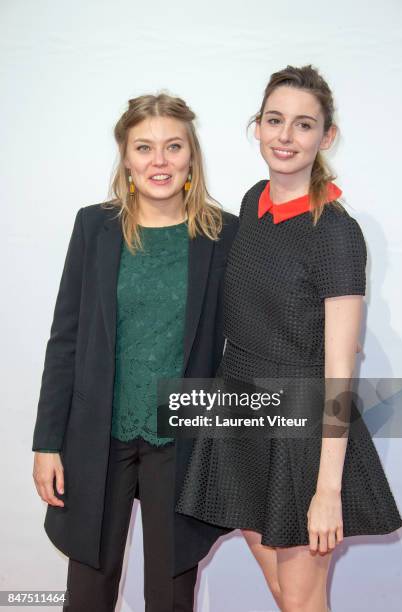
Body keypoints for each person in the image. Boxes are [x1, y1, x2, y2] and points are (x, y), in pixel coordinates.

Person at [175, 66, 402, 612]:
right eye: (274, 120)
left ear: (326, 138)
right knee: (283, 594)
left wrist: (327, 491)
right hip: (244, 417)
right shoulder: (253, 202)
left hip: (304, 439)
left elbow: (339, 369)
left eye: (303, 125)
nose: (285, 136)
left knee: (302, 603)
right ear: (257, 127)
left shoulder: (338, 234)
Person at [32, 93, 239, 612]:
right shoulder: (93, 227)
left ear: (191, 155)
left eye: (173, 147)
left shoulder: (223, 233)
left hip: (183, 437)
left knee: (170, 595)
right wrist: (46, 442)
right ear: (126, 157)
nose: (159, 161)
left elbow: (246, 337)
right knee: (88, 593)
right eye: (144, 148)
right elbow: (66, 339)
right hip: (99, 431)